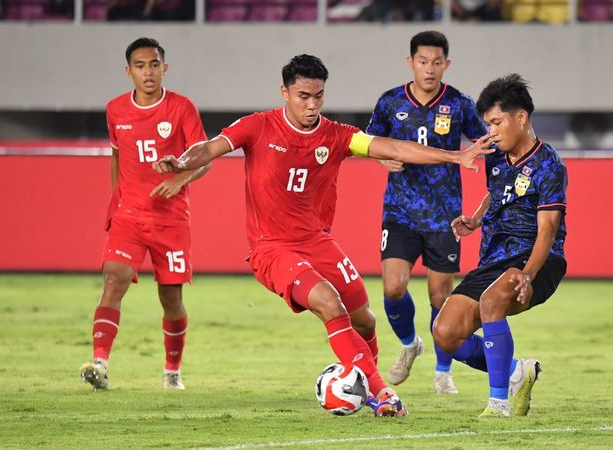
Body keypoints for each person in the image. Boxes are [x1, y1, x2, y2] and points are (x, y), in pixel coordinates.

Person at [153, 54, 493, 416]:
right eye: (303, 96)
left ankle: (361, 383)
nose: (312, 105)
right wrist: (182, 161)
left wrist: (455, 156)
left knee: (365, 320)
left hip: (319, 243)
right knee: (330, 304)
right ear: (284, 92)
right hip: (272, 249)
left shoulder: (336, 135)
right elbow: (209, 147)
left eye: (318, 96)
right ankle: (382, 394)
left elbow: (391, 147)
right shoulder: (258, 126)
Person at [432, 74, 568, 418]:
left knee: (492, 302)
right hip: (494, 259)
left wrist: (527, 273)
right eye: (487, 123)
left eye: (496, 122)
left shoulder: (550, 165)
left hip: (538, 257)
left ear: (520, 118)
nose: (490, 131)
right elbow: (498, 189)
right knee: (445, 334)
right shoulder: (495, 154)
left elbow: (548, 228)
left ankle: (499, 404)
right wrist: (477, 218)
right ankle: (515, 373)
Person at [80, 37, 210, 391]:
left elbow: (203, 159)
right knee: (114, 280)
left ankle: (172, 371)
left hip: (171, 219)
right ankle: (100, 364)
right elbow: (117, 155)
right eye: (140, 66)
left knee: (171, 299)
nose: (148, 72)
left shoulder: (183, 108)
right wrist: (117, 198)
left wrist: (180, 180)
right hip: (129, 217)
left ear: (164, 68)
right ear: (128, 72)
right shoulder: (115, 109)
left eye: (154, 65)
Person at [367, 30, 488, 395]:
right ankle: (409, 344)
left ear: (446, 64)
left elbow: (483, 142)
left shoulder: (461, 105)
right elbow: (369, 143)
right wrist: (383, 158)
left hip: (444, 216)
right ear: (411, 63)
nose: (430, 69)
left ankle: (442, 370)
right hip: (400, 212)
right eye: (423, 61)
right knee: (393, 286)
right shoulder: (390, 102)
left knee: (440, 296)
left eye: (437, 62)